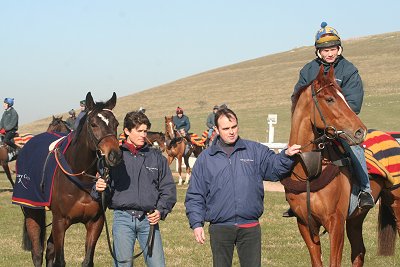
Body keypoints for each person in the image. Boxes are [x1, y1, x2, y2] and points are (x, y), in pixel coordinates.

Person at [185, 107, 301, 267]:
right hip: (220, 228)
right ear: (217, 130)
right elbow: (195, 194)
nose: (231, 132)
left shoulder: (254, 151)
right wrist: (197, 223)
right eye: (226, 128)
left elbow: (274, 169)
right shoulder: (206, 158)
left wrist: (286, 155)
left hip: (250, 227)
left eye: (234, 127)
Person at [284, 21, 374, 217]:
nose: (329, 53)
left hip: (340, 126)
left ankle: (365, 190)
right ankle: (295, 197)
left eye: (333, 49)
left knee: (355, 147)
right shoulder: (308, 71)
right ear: (318, 52)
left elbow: (354, 104)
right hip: (314, 128)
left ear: (339, 48)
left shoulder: (348, 70)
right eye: (325, 50)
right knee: (295, 149)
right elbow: (296, 98)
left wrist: (332, 121)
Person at [93, 111, 176, 267]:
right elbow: (100, 192)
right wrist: (99, 188)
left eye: (145, 131)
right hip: (123, 220)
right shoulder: (114, 157)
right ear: (126, 131)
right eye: (139, 131)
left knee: (158, 265)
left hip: (149, 220)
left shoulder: (157, 157)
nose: (143, 135)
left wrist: (160, 210)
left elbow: (168, 189)